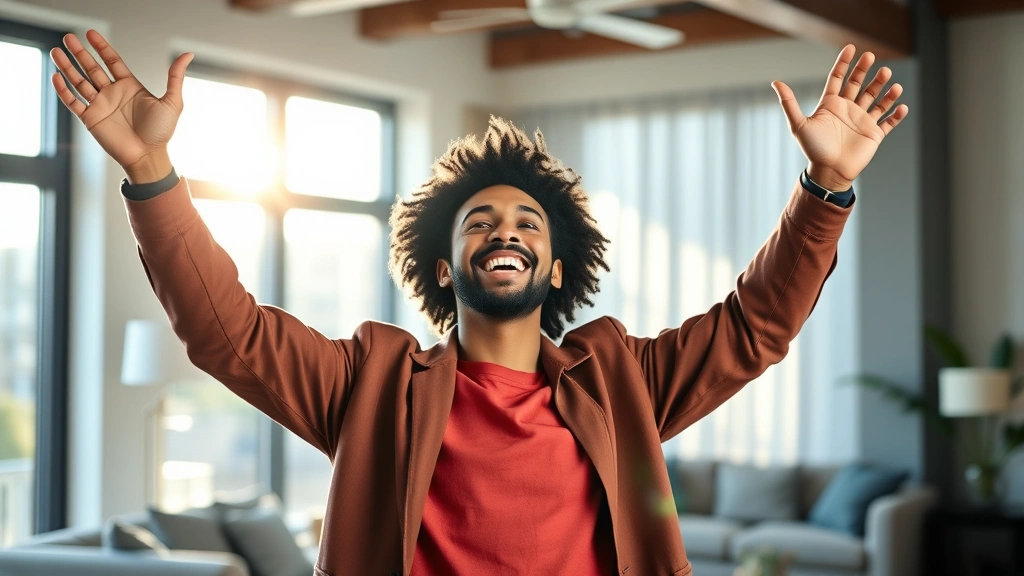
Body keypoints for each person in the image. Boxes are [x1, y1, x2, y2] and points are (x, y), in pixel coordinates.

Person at [50, 30, 907, 576]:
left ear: (560, 266)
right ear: (443, 261)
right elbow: (225, 331)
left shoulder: (623, 379)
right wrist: (152, 176)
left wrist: (825, 186)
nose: (508, 231)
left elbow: (755, 325)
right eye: (482, 221)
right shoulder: (370, 383)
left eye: (530, 222)